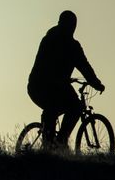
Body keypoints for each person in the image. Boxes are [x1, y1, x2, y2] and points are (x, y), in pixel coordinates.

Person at [28, 11, 105, 150]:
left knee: (74, 106)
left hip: (57, 85)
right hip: (39, 85)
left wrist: (95, 83)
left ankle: (59, 142)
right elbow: (45, 65)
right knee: (54, 108)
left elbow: (84, 66)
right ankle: (49, 146)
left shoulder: (72, 46)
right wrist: (96, 84)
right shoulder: (50, 40)